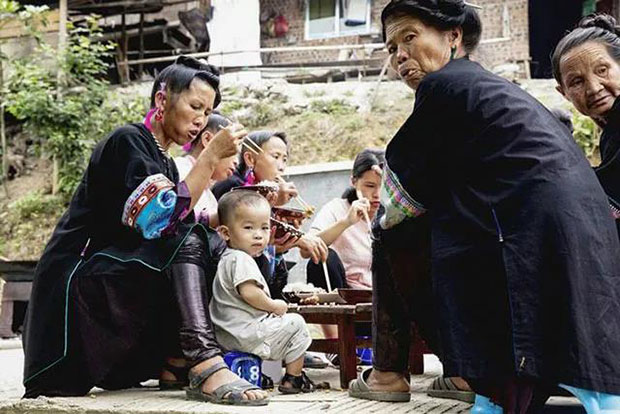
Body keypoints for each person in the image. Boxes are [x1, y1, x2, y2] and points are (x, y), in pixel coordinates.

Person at [348, 2, 620, 413]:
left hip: (534, 231)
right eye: (391, 48)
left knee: (391, 233)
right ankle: (474, 381)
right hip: (574, 229)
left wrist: (389, 222)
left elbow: (401, 193)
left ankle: (392, 372)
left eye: (410, 37)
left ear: (453, 36)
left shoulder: (445, 86)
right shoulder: (487, 88)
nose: (400, 55)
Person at [22, 56, 269, 406]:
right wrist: (210, 157)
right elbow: (161, 219)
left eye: (207, 111)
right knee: (187, 236)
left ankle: (176, 360)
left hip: (109, 279)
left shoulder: (164, 160)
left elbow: (177, 220)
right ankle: (204, 362)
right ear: (162, 100)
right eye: (195, 106)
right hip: (74, 284)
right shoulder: (127, 140)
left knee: (214, 244)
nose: (201, 119)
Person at [210, 190, 315, 394]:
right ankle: (294, 378)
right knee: (297, 324)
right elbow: (250, 293)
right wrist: (274, 306)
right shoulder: (241, 259)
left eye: (264, 227)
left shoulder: (227, 258)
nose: (258, 234)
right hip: (245, 332)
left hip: (225, 334)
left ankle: (255, 373)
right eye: (248, 228)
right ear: (225, 233)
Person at [552, 13, 620, 238]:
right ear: (564, 93)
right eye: (577, 82)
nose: (593, 88)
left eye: (602, 70)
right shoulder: (611, 130)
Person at [305, 148, 384, 292]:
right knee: (324, 257)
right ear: (354, 181)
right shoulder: (336, 209)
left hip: (380, 295)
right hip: (343, 292)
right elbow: (306, 250)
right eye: (370, 186)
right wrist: (346, 222)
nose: (377, 194)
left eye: (383, 186)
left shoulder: (392, 216)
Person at [174, 112, 237, 227]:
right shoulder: (179, 169)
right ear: (207, 139)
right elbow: (174, 219)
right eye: (231, 151)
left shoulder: (209, 195)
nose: (236, 161)